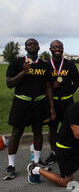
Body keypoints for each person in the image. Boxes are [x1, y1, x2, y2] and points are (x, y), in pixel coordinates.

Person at [4, 38, 56, 180]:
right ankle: (11, 165)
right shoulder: (17, 62)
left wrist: (51, 107)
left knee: (38, 132)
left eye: (34, 44)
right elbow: (9, 83)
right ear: (26, 48)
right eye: (29, 44)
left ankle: (37, 161)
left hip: (39, 103)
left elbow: (48, 87)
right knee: (16, 133)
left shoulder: (44, 65)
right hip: (21, 102)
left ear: (39, 48)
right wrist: (23, 72)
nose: (32, 46)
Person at [45, 40, 79, 165]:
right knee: (52, 128)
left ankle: (71, 151)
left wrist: (69, 90)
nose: (57, 49)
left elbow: (77, 81)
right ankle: (54, 153)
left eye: (60, 47)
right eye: (55, 47)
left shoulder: (70, 64)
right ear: (50, 49)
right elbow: (44, 84)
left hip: (67, 102)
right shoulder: (47, 65)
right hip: (52, 102)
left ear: (63, 49)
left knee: (71, 128)